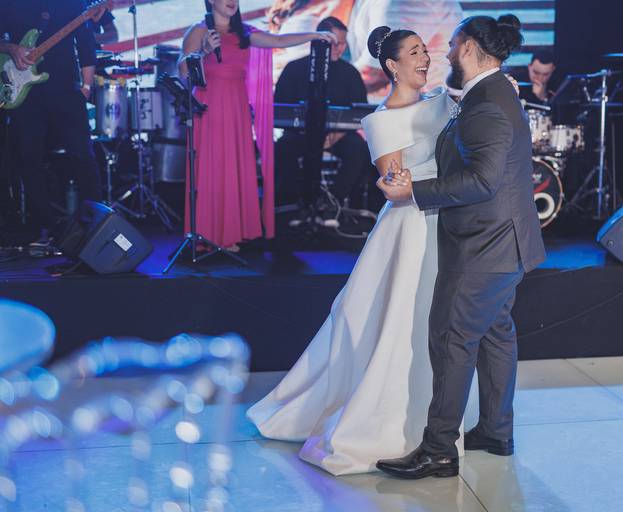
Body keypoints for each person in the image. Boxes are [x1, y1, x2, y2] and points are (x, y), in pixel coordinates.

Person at [247, 26, 457, 476]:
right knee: (400, 318)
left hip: (448, 223)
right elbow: (393, 184)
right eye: (415, 52)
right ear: (392, 66)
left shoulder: (442, 101)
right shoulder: (383, 120)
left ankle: (442, 416)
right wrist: (417, 184)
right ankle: (389, 420)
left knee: (439, 320)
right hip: (410, 227)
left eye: (425, 50)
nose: (425, 58)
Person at [375, 15, 546, 479]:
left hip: (485, 246)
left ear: (468, 47)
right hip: (504, 243)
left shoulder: (488, 102)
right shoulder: (492, 92)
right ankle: (495, 430)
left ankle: (438, 450)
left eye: (451, 44)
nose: (445, 53)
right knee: (495, 336)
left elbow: (482, 181)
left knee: (451, 338)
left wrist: (414, 191)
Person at [178, 0, 336, 251]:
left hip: (236, 106)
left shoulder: (244, 32)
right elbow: (183, 72)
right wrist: (204, 51)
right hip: (209, 106)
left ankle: (228, 235)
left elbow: (279, 41)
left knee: (233, 167)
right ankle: (205, 235)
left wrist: (315, 35)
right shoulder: (199, 31)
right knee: (211, 167)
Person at [0, 0, 104, 246]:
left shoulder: (70, 3)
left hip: (66, 89)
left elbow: (85, 43)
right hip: (23, 92)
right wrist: (12, 48)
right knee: (28, 158)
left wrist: (86, 87)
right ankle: (44, 226)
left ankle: (96, 226)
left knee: (82, 155)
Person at [273, 16, 379, 225]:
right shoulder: (294, 69)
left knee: (359, 150)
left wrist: (336, 135)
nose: (340, 48)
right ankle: (296, 206)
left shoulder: (350, 73)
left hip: (338, 136)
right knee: (283, 149)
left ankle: (332, 204)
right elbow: (280, 109)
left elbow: (359, 113)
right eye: (335, 43)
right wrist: (308, 132)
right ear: (319, 40)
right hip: (300, 134)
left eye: (343, 43)